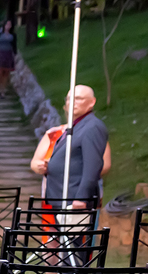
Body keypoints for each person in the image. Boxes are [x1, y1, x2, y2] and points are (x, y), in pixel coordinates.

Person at [42, 85, 108, 215]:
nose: (72, 102)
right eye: (68, 99)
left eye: (78, 98)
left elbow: (93, 165)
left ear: (92, 102)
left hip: (74, 198)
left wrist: (81, 197)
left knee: (73, 229)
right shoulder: (76, 125)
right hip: (61, 195)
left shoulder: (92, 127)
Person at [0, 21, 18, 98]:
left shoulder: (13, 35)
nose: (8, 26)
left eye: (10, 24)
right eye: (7, 24)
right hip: (0, 54)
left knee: (6, 73)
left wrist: (15, 56)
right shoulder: (0, 34)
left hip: (8, 55)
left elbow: (14, 46)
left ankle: (3, 91)